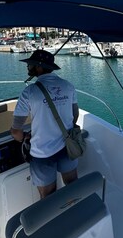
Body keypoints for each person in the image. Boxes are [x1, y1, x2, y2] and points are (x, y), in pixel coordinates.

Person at [10, 49, 79, 198]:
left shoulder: (29, 92)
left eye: (30, 65)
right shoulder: (68, 86)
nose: (28, 67)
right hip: (67, 147)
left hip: (42, 154)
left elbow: (15, 131)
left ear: (39, 67)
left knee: (48, 197)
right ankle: (76, 215)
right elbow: (75, 116)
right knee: (73, 186)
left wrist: (25, 138)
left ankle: (54, 220)